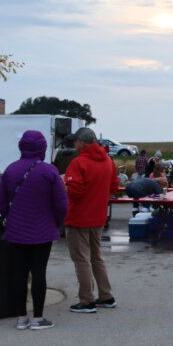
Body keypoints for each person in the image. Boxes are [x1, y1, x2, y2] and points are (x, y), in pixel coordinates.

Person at [0, 130, 68, 331]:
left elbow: (0, 202)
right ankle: (38, 317)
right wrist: (56, 222)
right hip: (43, 231)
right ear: (42, 148)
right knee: (39, 273)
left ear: (22, 147)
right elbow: (61, 204)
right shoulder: (49, 171)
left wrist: (10, 216)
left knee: (18, 273)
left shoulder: (11, 169)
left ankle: (21, 317)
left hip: (16, 231)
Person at [64, 127, 120, 313]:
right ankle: (106, 295)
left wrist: (63, 186)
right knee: (96, 257)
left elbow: (75, 191)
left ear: (82, 143)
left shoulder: (78, 162)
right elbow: (114, 187)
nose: (74, 144)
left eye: (75, 141)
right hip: (98, 216)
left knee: (82, 259)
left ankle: (87, 300)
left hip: (79, 217)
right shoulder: (108, 161)